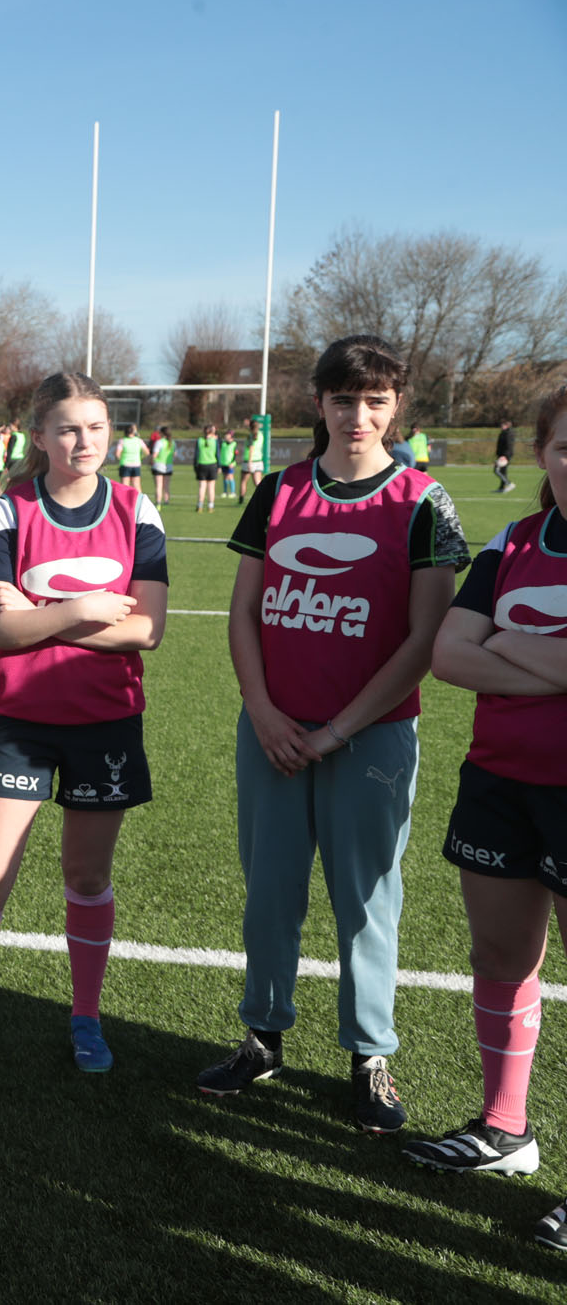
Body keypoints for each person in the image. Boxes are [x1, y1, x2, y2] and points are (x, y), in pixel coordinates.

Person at [195, 335, 468, 1133]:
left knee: (367, 900)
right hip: (273, 732)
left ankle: (370, 1054)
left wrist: (340, 728)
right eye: (344, 398)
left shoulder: (423, 500)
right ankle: (262, 1035)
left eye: (375, 400)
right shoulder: (278, 491)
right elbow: (244, 611)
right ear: (318, 402)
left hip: (371, 737)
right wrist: (262, 708)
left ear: (396, 405)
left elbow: (426, 638)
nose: (359, 415)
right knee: (269, 890)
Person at [0, 373, 166, 1087]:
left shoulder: (137, 509)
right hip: (17, 721)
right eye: (69, 428)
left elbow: (146, 629)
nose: (85, 441)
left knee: (87, 876)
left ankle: (86, 1017)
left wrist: (36, 613)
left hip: (106, 722)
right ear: (40, 436)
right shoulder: (8, 511)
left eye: (96, 427)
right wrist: (83, 610)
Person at [401, 386, 565, 1204]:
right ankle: (505, 1129)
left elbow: (479, 645)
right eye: (565, 447)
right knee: (501, 956)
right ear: (542, 454)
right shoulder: (516, 541)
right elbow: (449, 653)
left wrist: (502, 637)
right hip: (499, 780)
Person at [194, 423, 219, 512]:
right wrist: (219, 466)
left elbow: (196, 455)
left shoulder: (199, 440)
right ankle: (210, 506)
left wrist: (195, 466)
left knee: (202, 487)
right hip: (212, 465)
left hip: (201, 465)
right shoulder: (215, 441)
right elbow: (217, 454)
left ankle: (200, 506)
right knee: (211, 488)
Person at [113, 423, 147, 488]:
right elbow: (147, 452)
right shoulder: (139, 440)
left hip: (125, 464)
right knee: (137, 486)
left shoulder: (122, 441)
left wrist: (122, 459)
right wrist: (140, 457)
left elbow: (117, 454)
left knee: (125, 486)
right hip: (136, 464)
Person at [239, 422, 266, 503]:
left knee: (243, 481)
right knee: (257, 482)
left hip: (249, 461)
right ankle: (263, 498)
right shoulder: (260, 435)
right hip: (259, 461)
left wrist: (249, 462)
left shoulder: (250, 436)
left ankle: (241, 499)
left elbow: (251, 448)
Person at [151, 425, 174, 506]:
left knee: (158, 485)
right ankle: (166, 501)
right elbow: (174, 454)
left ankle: (158, 502)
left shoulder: (159, 442)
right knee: (166, 485)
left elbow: (155, 455)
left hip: (158, 465)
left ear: (161, 433)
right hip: (168, 466)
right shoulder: (172, 442)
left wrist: (151, 461)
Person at [495, 416, 518, 494]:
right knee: (503, 471)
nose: (501, 426)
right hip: (502, 455)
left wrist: (504, 456)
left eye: (502, 425)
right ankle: (502, 488)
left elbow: (509, 446)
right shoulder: (503, 433)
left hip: (505, 456)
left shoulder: (508, 433)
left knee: (497, 470)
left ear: (507, 425)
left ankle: (510, 484)